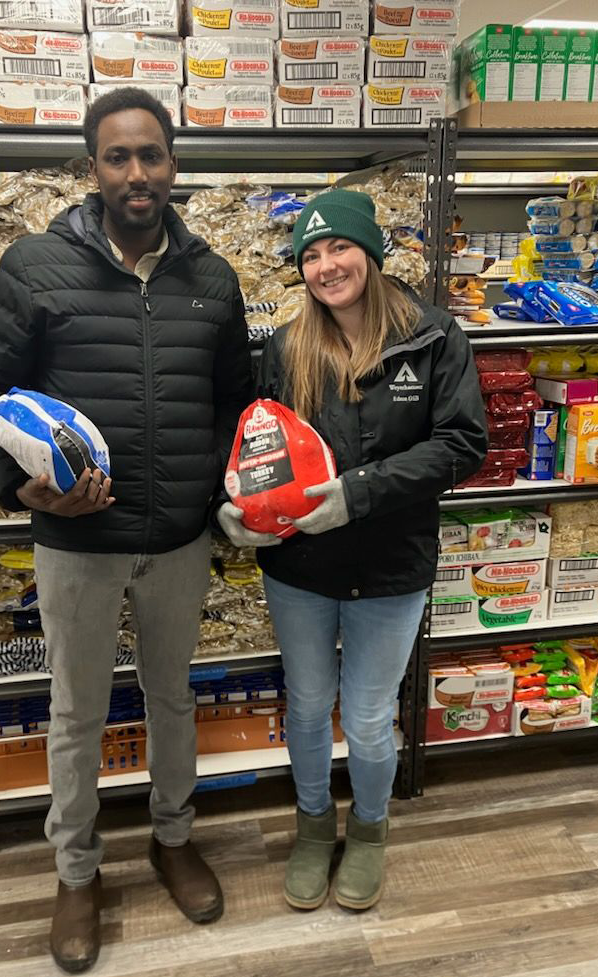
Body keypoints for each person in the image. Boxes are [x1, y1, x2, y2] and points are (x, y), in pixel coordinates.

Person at [0, 87, 253, 973]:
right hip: (77, 546)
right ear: (93, 167)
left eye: (151, 156)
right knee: (77, 711)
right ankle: (76, 873)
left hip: (179, 540)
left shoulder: (214, 277)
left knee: (172, 698)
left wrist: (233, 500)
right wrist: (22, 488)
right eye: (118, 157)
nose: (137, 173)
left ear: (172, 165)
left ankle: (172, 838)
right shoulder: (34, 266)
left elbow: (234, 404)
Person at [218, 189, 487, 912]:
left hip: (393, 564)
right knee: (307, 708)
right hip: (300, 567)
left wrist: (358, 492)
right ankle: (313, 829)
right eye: (310, 255)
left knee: (368, 718)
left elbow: (463, 446)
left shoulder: (433, 338)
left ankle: (368, 831)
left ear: (370, 251)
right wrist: (232, 505)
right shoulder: (283, 347)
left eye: (339, 248)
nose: (326, 265)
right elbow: (252, 440)